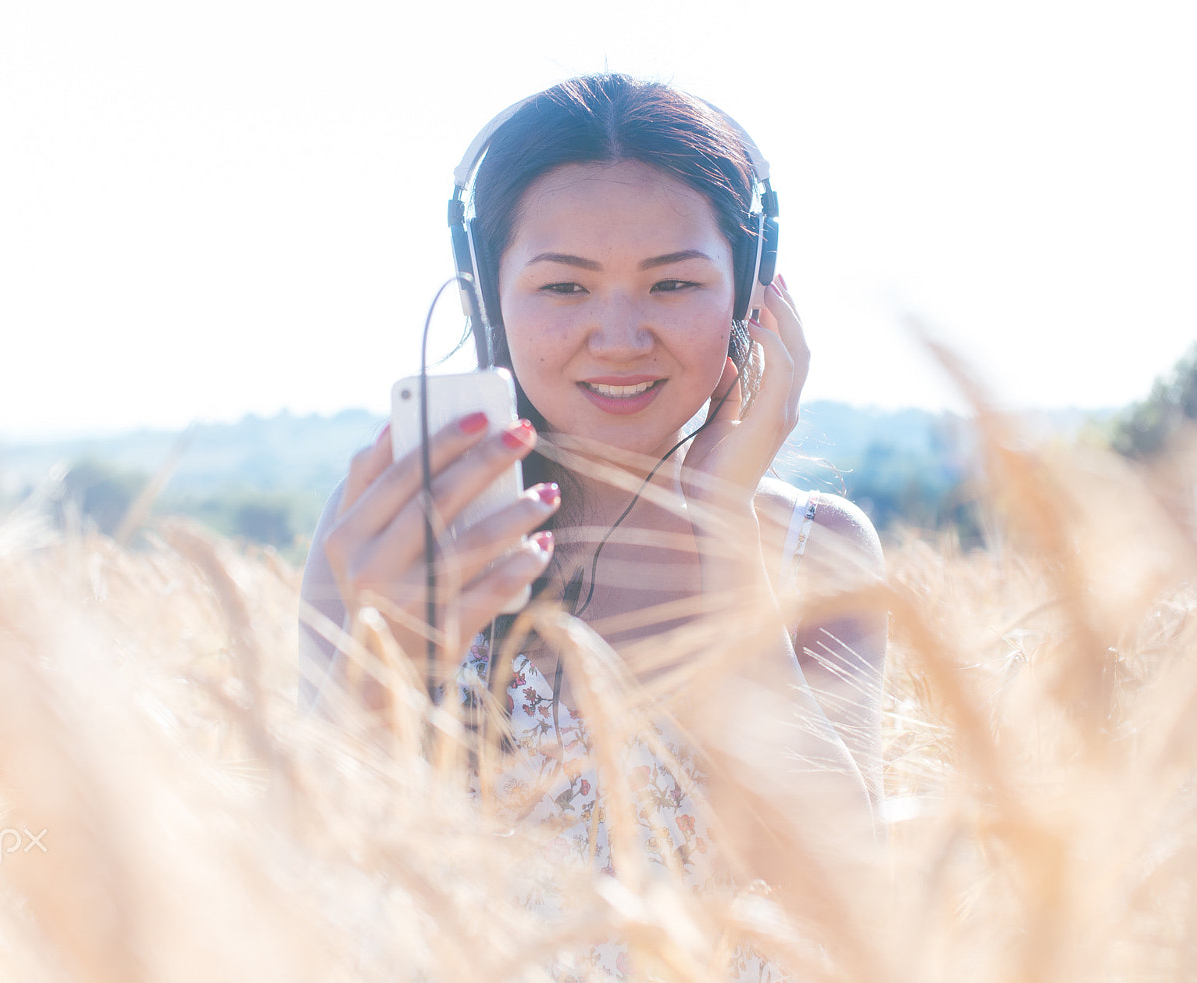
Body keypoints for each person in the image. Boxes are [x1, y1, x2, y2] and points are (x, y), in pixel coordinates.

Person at [299, 73, 886, 975]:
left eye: (674, 283)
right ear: (483, 293)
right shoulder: (393, 540)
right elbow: (323, 894)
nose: (618, 334)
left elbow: (854, 914)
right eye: (565, 286)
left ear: (751, 298)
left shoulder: (817, 552)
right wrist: (381, 670)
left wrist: (720, 535)